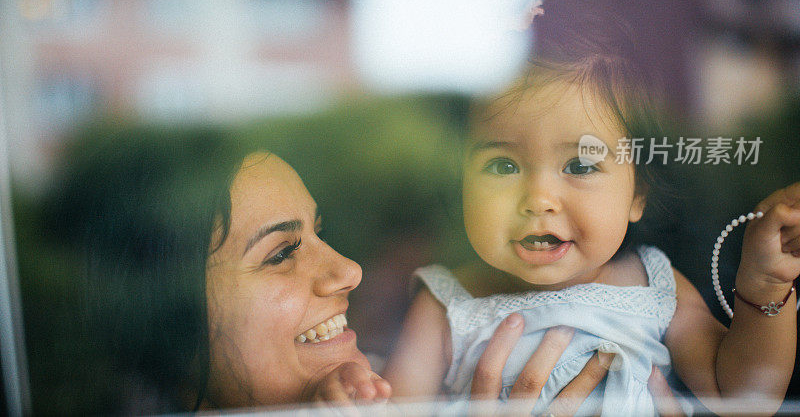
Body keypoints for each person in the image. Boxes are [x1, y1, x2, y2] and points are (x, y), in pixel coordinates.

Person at [382, 14, 800, 416]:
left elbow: (742, 395)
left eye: (581, 166)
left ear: (637, 196)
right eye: (503, 166)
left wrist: (765, 285)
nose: (539, 199)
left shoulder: (653, 284)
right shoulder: (446, 305)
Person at [74, 128, 625, 413]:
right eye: (282, 252)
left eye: (320, 230)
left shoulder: (404, 385)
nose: (349, 270)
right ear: (166, 316)